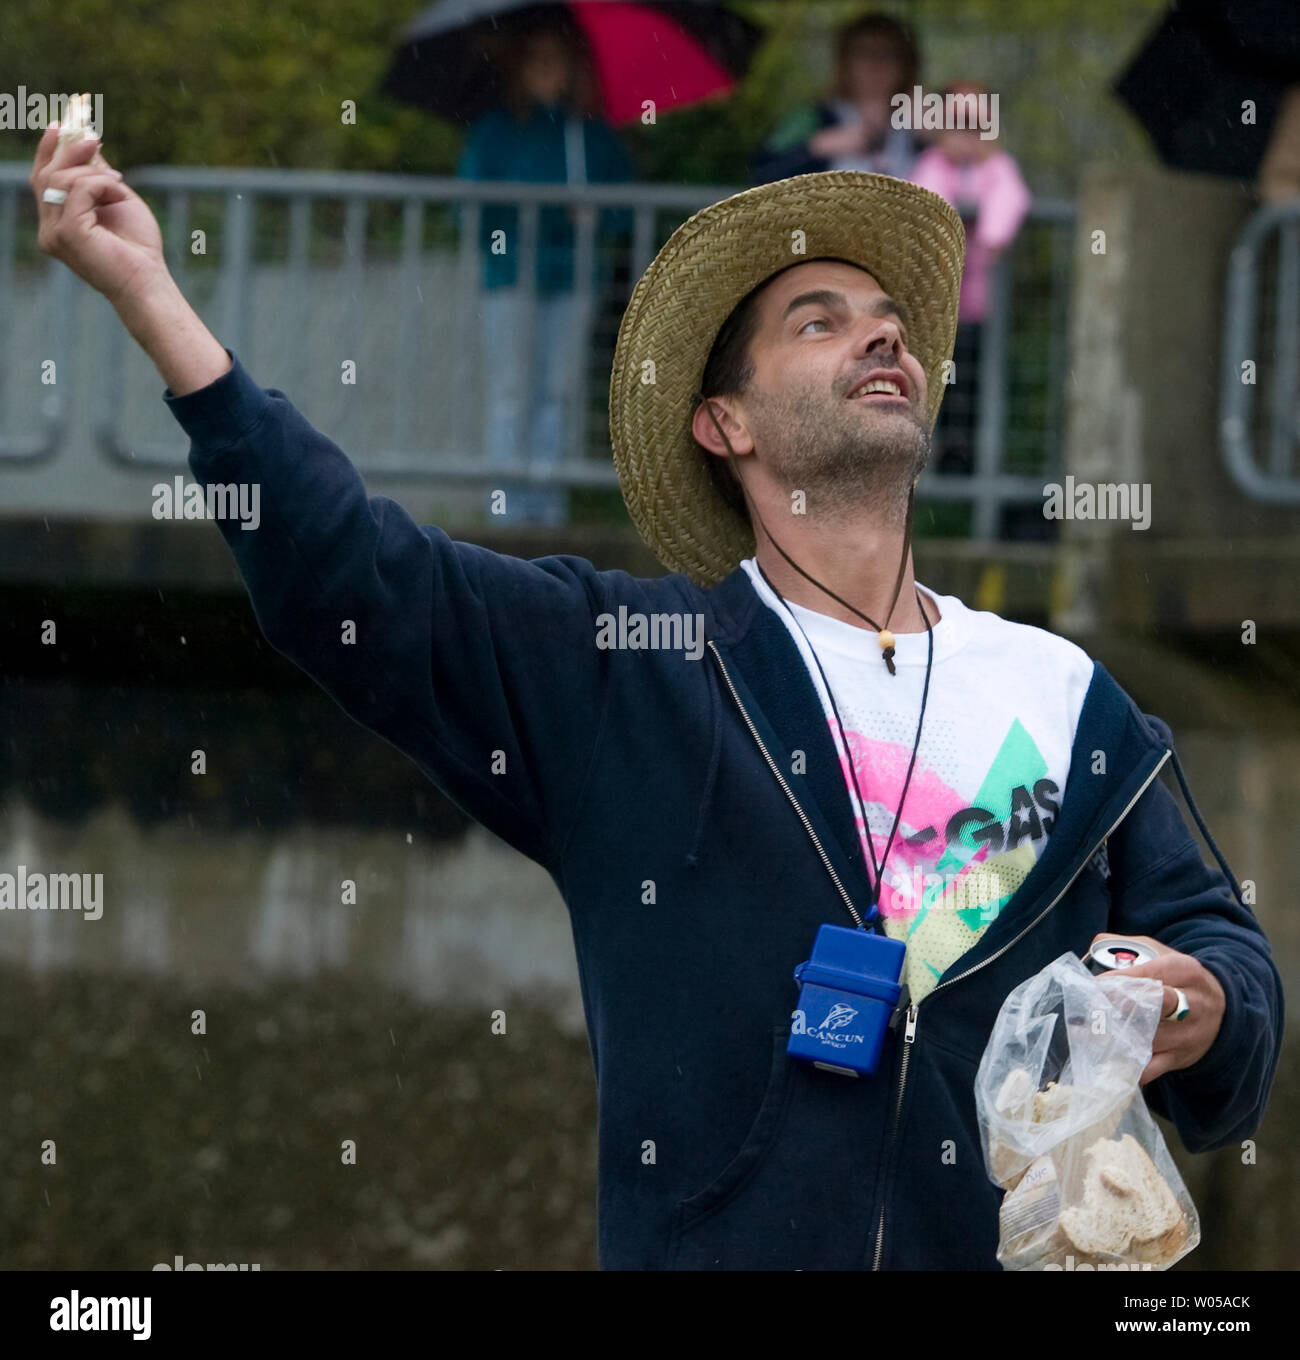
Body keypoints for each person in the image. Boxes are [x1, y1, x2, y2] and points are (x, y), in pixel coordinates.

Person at [33, 120, 1283, 1269]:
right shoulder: (626, 666)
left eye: (893, 316)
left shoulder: (1066, 697)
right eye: (819, 318)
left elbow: (1224, 951)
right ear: (722, 421)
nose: (885, 332)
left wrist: (1206, 1003)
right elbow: (351, 576)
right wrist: (155, 302)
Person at [457, 26, 634, 525]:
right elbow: (467, 206)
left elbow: (624, 208)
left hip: (574, 278)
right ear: (519, 68)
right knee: (512, 390)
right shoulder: (494, 131)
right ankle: (507, 511)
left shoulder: (591, 135)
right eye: (536, 59)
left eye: (557, 60)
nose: (547, 70)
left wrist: (593, 215)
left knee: (557, 391)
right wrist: (524, 215)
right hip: (511, 275)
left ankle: (547, 509)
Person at [909, 81, 1032, 474]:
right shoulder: (931, 164)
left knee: (974, 391)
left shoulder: (998, 167)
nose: (965, 137)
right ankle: (931, 463)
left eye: (975, 127)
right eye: (957, 125)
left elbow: (1011, 197)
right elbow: (927, 202)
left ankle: (967, 466)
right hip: (933, 309)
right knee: (931, 391)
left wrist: (991, 232)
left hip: (978, 310)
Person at [752, 12, 921, 184]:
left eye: (888, 53)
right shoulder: (812, 118)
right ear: (845, 61)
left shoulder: (921, 119)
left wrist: (935, 135)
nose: (876, 64)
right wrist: (815, 148)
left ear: (906, 63)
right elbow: (763, 173)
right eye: (864, 53)